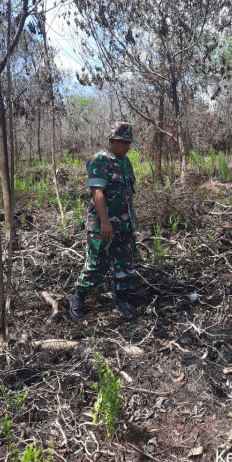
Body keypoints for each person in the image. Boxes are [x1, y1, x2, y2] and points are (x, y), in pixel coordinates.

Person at [69, 122, 139, 319]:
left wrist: (132, 221)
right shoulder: (99, 161)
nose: (128, 146)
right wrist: (105, 222)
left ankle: (121, 301)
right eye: (124, 142)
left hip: (124, 225)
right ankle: (78, 297)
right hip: (103, 225)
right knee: (97, 264)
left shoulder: (125, 162)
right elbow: (97, 193)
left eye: (129, 143)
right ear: (112, 140)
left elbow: (128, 195)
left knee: (126, 265)